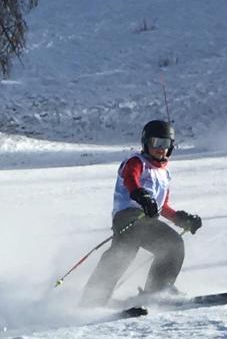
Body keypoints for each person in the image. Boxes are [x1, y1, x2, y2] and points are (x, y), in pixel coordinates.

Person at [80, 120, 202, 307]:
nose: (161, 149)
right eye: (157, 143)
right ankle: (157, 291)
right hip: (129, 217)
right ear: (146, 142)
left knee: (120, 256)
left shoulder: (164, 174)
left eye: (166, 144)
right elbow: (131, 180)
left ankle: (93, 299)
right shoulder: (136, 162)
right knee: (172, 245)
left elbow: (163, 207)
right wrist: (141, 195)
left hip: (144, 219)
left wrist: (181, 219)